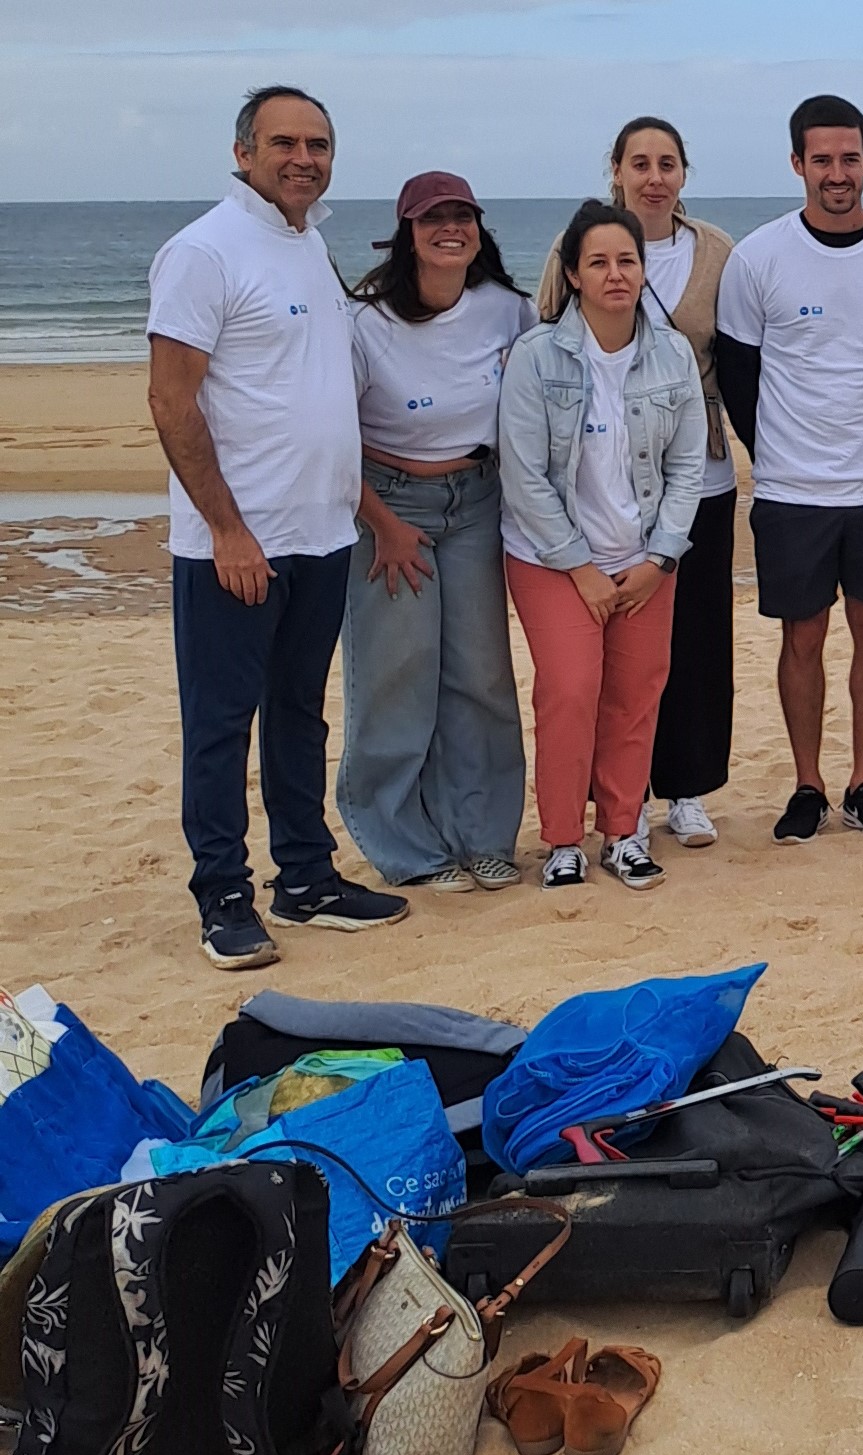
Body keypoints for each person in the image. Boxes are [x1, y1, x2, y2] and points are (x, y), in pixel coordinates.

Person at [148, 85, 408, 969]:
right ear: (243, 153)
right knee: (220, 726)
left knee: (299, 714)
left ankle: (306, 878)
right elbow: (171, 399)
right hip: (236, 544)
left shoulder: (309, 244)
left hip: (321, 536)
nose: (304, 159)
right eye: (285, 143)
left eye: (318, 144)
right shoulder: (203, 252)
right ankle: (223, 894)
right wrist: (226, 530)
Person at [714, 94, 863, 843]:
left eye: (850, 159)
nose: (837, 173)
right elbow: (739, 376)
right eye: (822, 160)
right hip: (793, 489)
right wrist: (781, 454)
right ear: (797, 164)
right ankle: (808, 785)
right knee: (803, 637)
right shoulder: (759, 257)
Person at [542, 117, 742, 852]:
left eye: (667, 163)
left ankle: (686, 790)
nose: (654, 177)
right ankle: (615, 801)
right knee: (606, 653)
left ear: (684, 173)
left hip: (697, 475)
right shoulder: (576, 244)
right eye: (640, 163)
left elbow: (741, 355)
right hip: (600, 480)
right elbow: (547, 336)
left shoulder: (716, 251)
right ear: (617, 170)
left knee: (695, 642)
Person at [497, 202, 708, 890]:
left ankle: (624, 833)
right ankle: (563, 839)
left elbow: (688, 466)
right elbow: (523, 475)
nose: (615, 274)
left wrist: (660, 558)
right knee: (570, 690)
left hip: (644, 558)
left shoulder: (672, 354)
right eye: (599, 262)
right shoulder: (536, 357)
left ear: (643, 270)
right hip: (552, 560)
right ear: (573, 275)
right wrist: (580, 567)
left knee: (635, 694)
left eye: (627, 260)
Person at [338, 170, 534, 895]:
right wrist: (383, 524)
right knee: (396, 675)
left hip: (478, 502)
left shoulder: (507, 309)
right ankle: (404, 845)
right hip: (389, 506)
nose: (450, 228)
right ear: (408, 234)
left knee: (480, 675)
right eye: (433, 219)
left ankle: (483, 838)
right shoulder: (364, 322)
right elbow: (332, 437)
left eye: (462, 216)